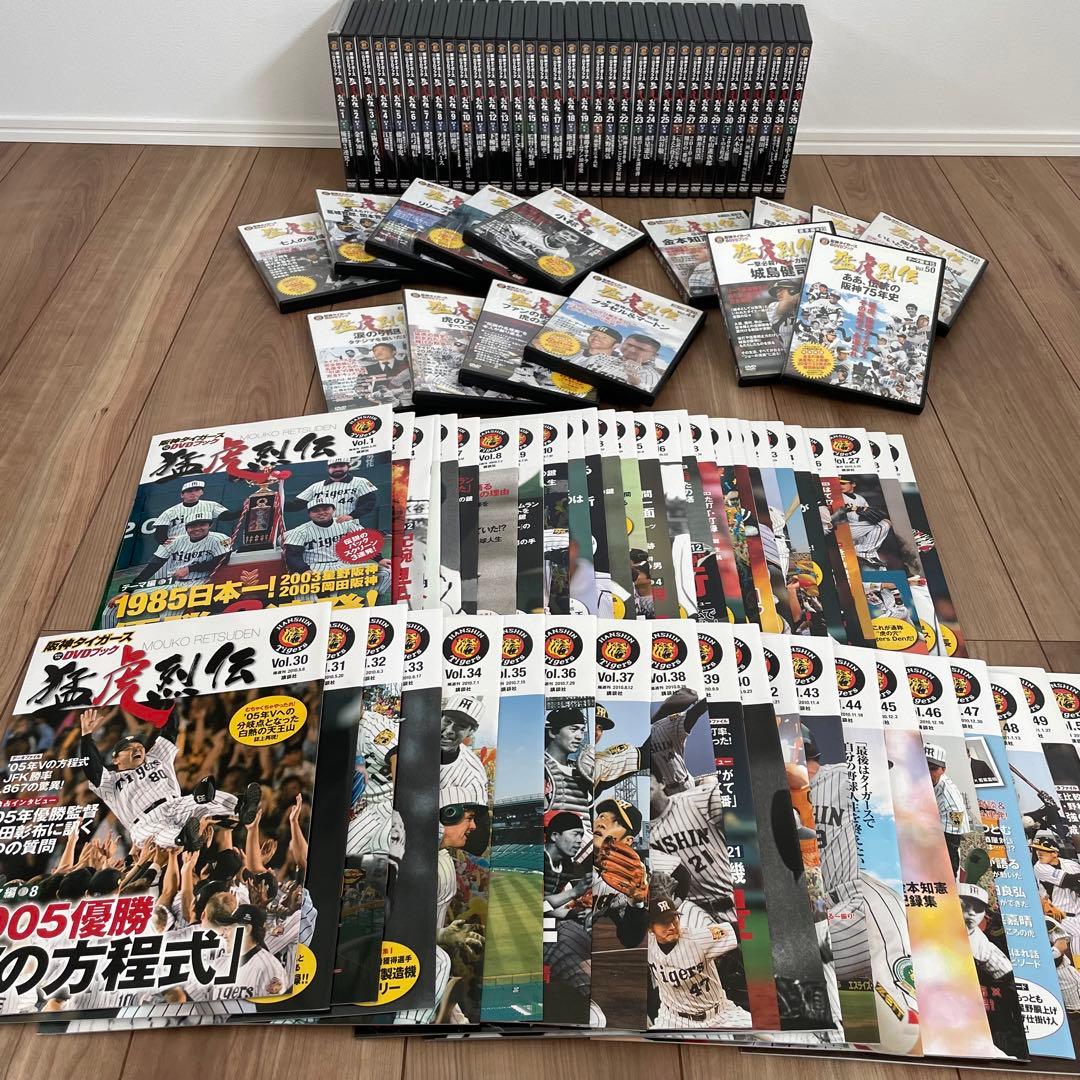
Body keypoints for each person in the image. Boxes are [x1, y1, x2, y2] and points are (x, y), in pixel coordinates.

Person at [77, 707, 260, 850]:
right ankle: (184, 838)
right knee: (159, 833)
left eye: (140, 746)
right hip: (144, 822)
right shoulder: (110, 781)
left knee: (201, 798)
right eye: (129, 748)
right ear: (116, 759)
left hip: (175, 805)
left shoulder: (156, 757)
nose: (137, 748)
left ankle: (241, 808)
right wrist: (86, 736)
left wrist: (168, 698)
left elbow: (171, 729)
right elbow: (92, 766)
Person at [646, 893, 750, 1030]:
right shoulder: (647, 945)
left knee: (768, 1034)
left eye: (674, 919)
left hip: (720, 1015)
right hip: (673, 1020)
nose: (671, 926)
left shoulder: (698, 938)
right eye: (664, 922)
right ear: (650, 928)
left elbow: (741, 928)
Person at [925, 743, 969, 874]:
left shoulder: (952, 804)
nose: (926, 773)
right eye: (923, 766)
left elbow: (950, 846)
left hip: (944, 834)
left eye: (933, 769)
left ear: (943, 770)